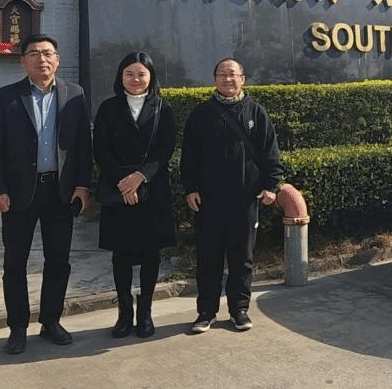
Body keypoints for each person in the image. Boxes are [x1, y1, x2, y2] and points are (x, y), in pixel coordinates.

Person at [0, 34, 92, 355]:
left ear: (57, 59)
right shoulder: (6, 96)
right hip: (18, 194)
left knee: (58, 260)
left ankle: (51, 321)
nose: (42, 59)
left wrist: (83, 186)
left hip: (60, 191)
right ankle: (17, 328)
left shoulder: (74, 94)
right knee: (15, 262)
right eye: (34, 53)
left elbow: (84, 145)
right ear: (23, 61)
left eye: (47, 53)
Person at [180, 57, 284, 333]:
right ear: (215, 79)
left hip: (245, 199)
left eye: (233, 74)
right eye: (222, 74)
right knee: (208, 256)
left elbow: (270, 152)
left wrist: (271, 185)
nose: (228, 79)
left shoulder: (256, 112)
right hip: (209, 200)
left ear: (243, 79)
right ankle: (206, 311)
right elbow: (189, 155)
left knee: (242, 258)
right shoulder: (201, 113)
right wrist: (190, 188)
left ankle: (239, 309)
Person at [92, 51, 177, 338]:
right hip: (118, 191)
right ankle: (124, 314)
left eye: (141, 74)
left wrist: (140, 177)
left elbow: (165, 150)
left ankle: (145, 314)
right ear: (121, 76)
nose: (135, 79)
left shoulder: (163, 108)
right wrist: (123, 182)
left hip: (152, 190)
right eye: (129, 73)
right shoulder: (108, 108)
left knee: (151, 254)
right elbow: (100, 149)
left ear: (151, 77)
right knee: (121, 255)